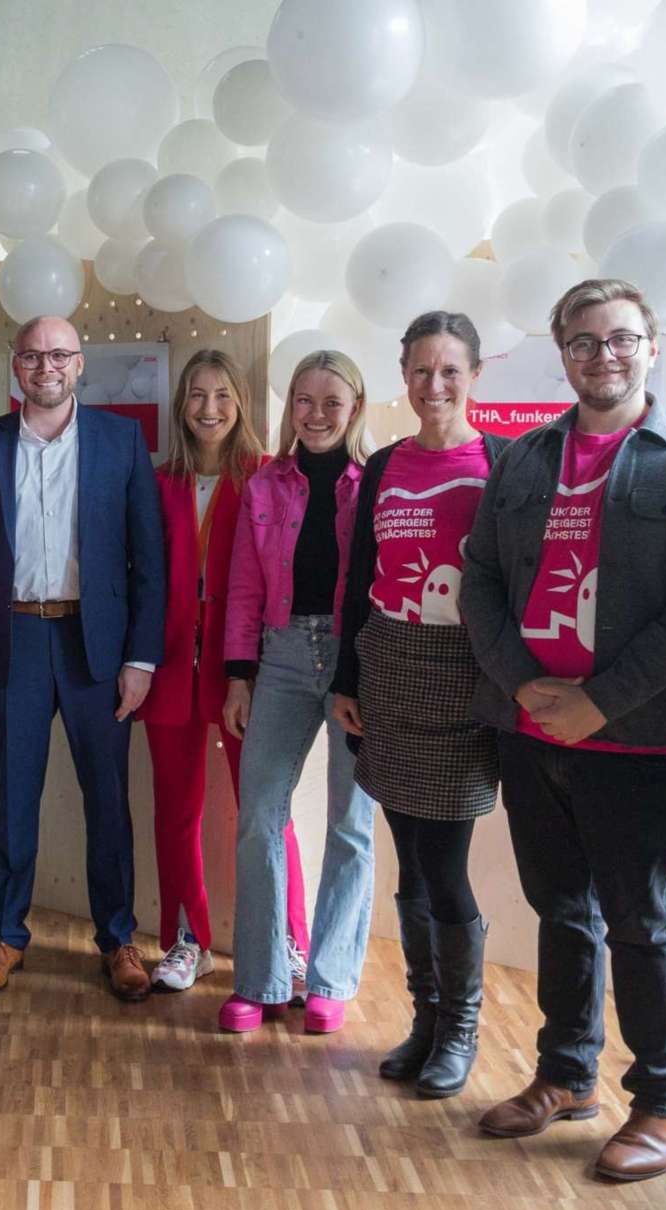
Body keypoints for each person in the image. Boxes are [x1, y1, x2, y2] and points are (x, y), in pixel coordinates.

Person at [461, 279, 666, 1181]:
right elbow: (480, 581)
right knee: (559, 910)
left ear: (652, 344)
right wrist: (524, 685)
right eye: (582, 342)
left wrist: (598, 701)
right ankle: (568, 1074)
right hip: (533, 732)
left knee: (640, 923)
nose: (602, 356)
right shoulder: (525, 458)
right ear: (561, 350)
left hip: (639, 738)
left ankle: (659, 1100)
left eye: (620, 339)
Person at [0, 314, 166, 1001]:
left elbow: (149, 562)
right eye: (34, 355)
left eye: (60, 354)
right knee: (15, 800)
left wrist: (141, 658)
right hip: (14, 641)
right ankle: (5, 935)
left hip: (96, 645)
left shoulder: (120, 440)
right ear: (16, 366)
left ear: (79, 364)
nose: (47, 365)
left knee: (108, 800)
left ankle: (118, 938)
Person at [330, 312, 509, 1096]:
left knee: (444, 869)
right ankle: (425, 1018)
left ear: (473, 375)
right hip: (390, 669)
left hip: (465, 678)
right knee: (407, 868)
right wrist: (346, 679)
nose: (434, 386)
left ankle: (460, 1026)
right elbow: (356, 579)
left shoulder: (500, 462)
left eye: (450, 371)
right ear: (402, 375)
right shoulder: (382, 468)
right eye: (420, 371)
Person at [141, 348, 309, 993]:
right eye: (196, 395)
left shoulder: (270, 478)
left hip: (249, 670)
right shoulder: (157, 482)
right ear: (181, 405)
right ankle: (189, 939)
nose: (209, 409)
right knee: (175, 810)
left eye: (222, 396)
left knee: (265, 811)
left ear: (240, 404)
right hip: (167, 669)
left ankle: (289, 944)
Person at [219, 350, 377, 1036]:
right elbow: (245, 585)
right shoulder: (264, 484)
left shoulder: (375, 482)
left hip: (359, 657)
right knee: (259, 813)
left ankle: (331, 978)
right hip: (280, 654)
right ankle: (260, 979)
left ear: (356, 407)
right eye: (304, 401)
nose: (315, 414)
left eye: (331, 402)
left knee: (350, 822)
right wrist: (238, 673)